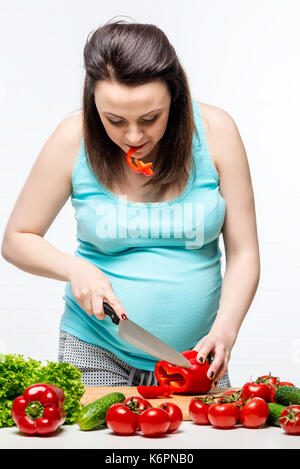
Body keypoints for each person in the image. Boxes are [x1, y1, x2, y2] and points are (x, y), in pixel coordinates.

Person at [1, 20, 260, 389]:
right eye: (115, 120)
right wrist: (76, 270)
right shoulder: (72, 139)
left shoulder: (217, 133)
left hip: (195, 357)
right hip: (95, 349)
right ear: (93, 103)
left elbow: (245, 251)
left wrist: (225, 332)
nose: (134, 136)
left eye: (150, 118)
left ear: (176, 97)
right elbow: (17, 238)